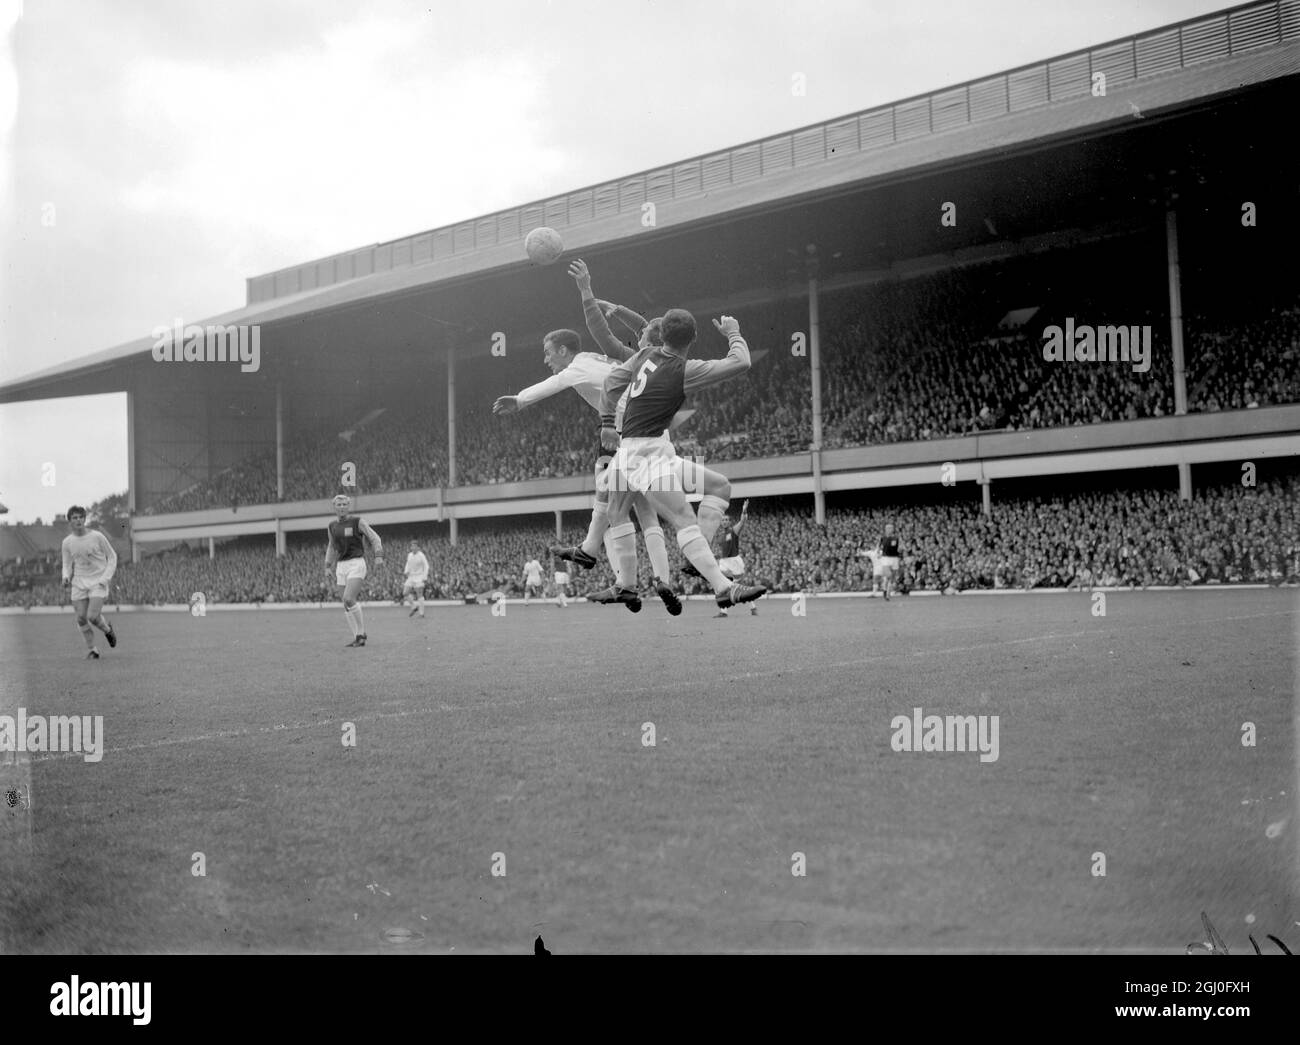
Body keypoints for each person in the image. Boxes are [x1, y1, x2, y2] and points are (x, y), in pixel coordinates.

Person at [493, 271, 681, 615]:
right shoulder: (601, 357)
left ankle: (614, 573)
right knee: (643, 511)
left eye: (549, 352)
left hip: (626, 435)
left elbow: (553, 382)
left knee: (613, 506)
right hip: (653, 431)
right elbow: (642, 327)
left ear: (564, 350)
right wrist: (617, 307)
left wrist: (518, 400)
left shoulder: (576, 368)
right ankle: (657, 577)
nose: (547, 358)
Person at [557, 260, 739, 580]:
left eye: (641, 335)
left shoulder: (637, 359)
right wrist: (621, 309)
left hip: (642, 450)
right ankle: (598, 555)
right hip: (655, 444)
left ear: (650, 341)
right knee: (614, 495)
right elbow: (645, 324)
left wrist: (587, 293)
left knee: (643, 510)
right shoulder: (656, 356)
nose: (637, 336)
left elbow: (604, 334)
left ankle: (642, 573)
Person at [591, 308, 765, 613]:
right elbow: (741, 362)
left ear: (662, 335)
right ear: (694, 337)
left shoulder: (644, 354)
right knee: (683, 517)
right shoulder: (684, 370)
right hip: (643, 457)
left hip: (651, 453)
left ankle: (639, 580)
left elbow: (610, 385)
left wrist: (607, 422)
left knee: (719, 487)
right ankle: (723, 588)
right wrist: (733, 332)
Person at [60, 505, 118, 659]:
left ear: (85, 519)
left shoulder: (97, 537)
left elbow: (112, 557)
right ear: (70, 521)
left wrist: (106, 578)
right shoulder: (67, 542)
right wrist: (65, 577)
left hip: (98, 581)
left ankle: (107, 630)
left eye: (80, 517)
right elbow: (66, 564)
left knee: (92, 616)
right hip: (79, 582)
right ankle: (93, 650)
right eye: (74, 518)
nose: (78, 520)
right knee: (80, 617)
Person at [325, 493, 383, 647]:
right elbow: (331, 546)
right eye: (339, 504)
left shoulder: (357, 521)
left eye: (345, 504)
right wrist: (327, 565)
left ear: (348, 506)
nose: (342, 507)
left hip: (356, 563)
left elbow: (375, 537)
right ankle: (357, 636)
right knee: (345, 604)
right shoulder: (332, 526)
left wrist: (378, 554)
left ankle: (362, 633)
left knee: (349, 598)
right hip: (341, 566)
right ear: (334, 507)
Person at [713, 500, 758, 618]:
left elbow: (743, 521)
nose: (724, 522)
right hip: (724, 562)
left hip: (734, 562)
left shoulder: (734, 531)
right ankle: (724, 611)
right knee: (720, 584)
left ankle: (753, 608)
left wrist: (744, 510)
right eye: (723, 520)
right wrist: (716, 557)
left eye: (726, 520)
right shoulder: (719, 536)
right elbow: (722, 551)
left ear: (730, 521)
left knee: (738, 587)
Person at [874, 522, 901, 600]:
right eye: (888, 528)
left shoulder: (897, 538)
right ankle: (885, 591)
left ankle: (887, 593)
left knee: (892, 578)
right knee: (889, 575)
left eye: (891, 528)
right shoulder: (882, 538)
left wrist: (901, 549)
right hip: (886, 558)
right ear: (885, 529)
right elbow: (878, 547)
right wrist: (878, 553)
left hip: (895, 558)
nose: (890, 529)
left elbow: (901, 546)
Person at [402, 539, 429, 618]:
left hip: (419, 577)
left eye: (414, 546)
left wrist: (424, 577)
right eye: (411, 546)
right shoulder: (409, 555)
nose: (412, 547)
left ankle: (421, 613)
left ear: (418, 547)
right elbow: (408, 563)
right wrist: (406, 571)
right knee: (405, 593)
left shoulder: (421, 555)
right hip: (411, 576)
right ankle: (414, 607)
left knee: (419, 594)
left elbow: (426, 565)